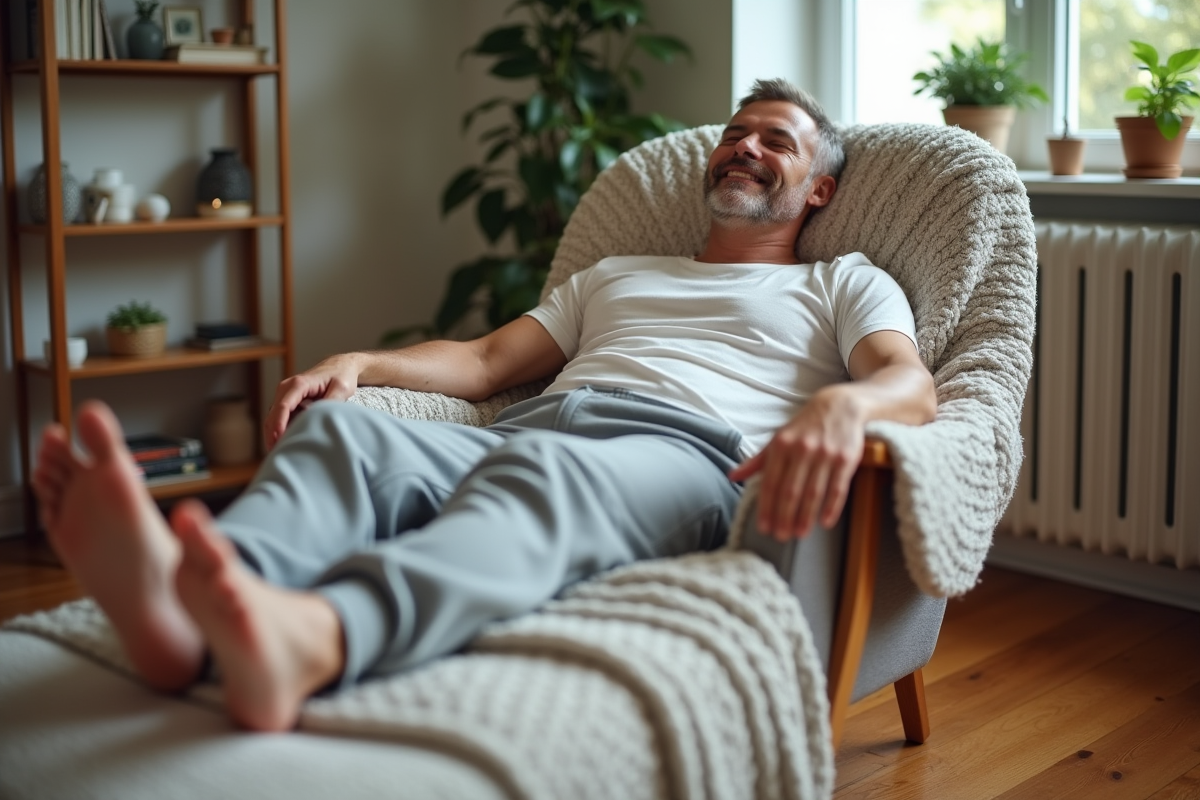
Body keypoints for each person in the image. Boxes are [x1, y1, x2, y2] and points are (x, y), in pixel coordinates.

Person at [32, 79, 937, 733]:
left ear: (817, 188)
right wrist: (362, 363)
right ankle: (185, 615)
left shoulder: (841, 281)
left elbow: (911, 382)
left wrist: (848, 410)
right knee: (350, 431)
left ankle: (318, 638)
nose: (747, 146)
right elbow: (485, 360)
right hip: (535, 428)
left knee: (546, 474)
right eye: (737, 132)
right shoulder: (616, 275)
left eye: (777, 140)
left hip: (687, 457)